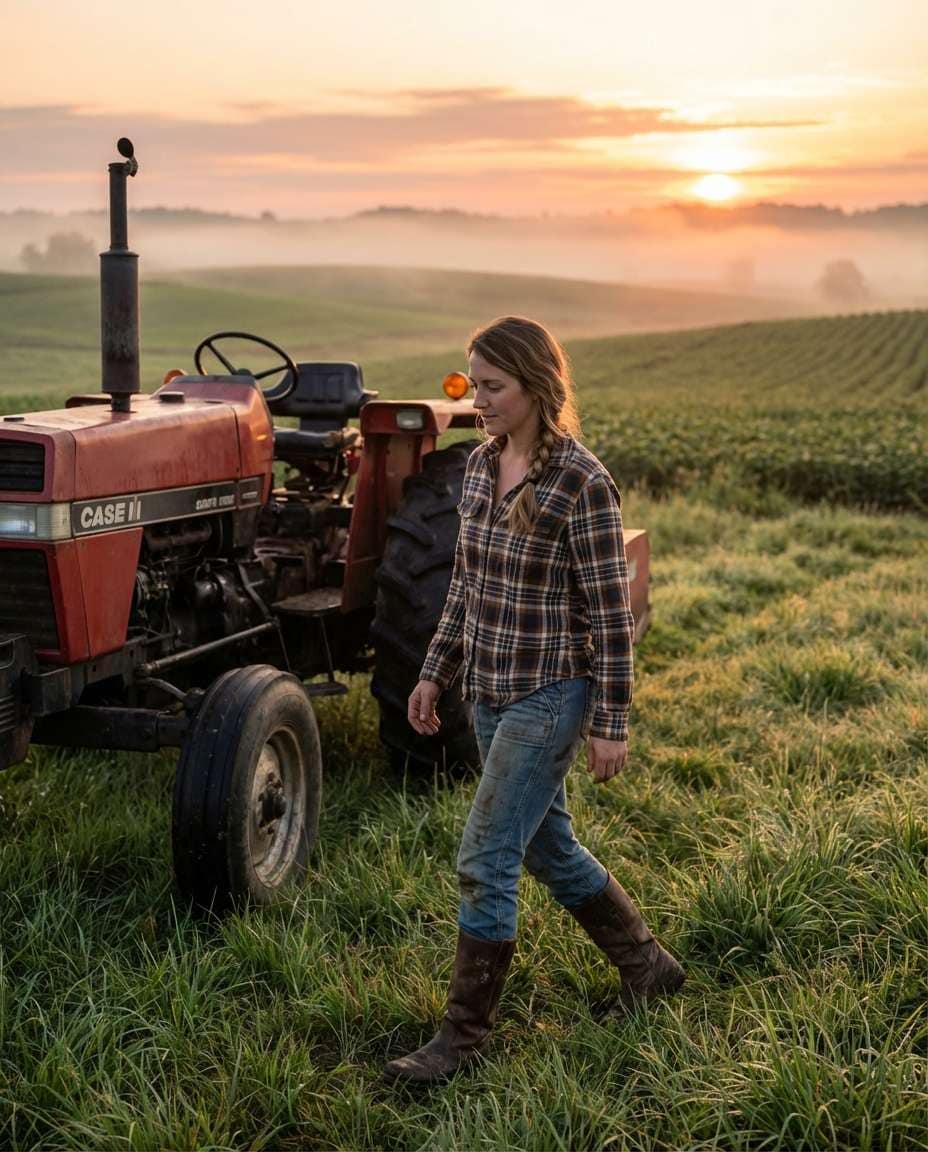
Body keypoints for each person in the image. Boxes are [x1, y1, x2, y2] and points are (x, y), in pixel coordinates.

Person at [383, 316, 684, 1085]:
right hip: (488, 691)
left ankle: (461, 1041)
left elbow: (611, 616)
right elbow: (466, 584)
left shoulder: (581, 481)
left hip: (551, 695)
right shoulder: (482, 466)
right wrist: (432, 671)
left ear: (537, 388)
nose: (478, 400)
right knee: (548, 848)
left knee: (486, 857)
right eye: (473, 383)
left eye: (493, 387)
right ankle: (649, 967)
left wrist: (609, 723)